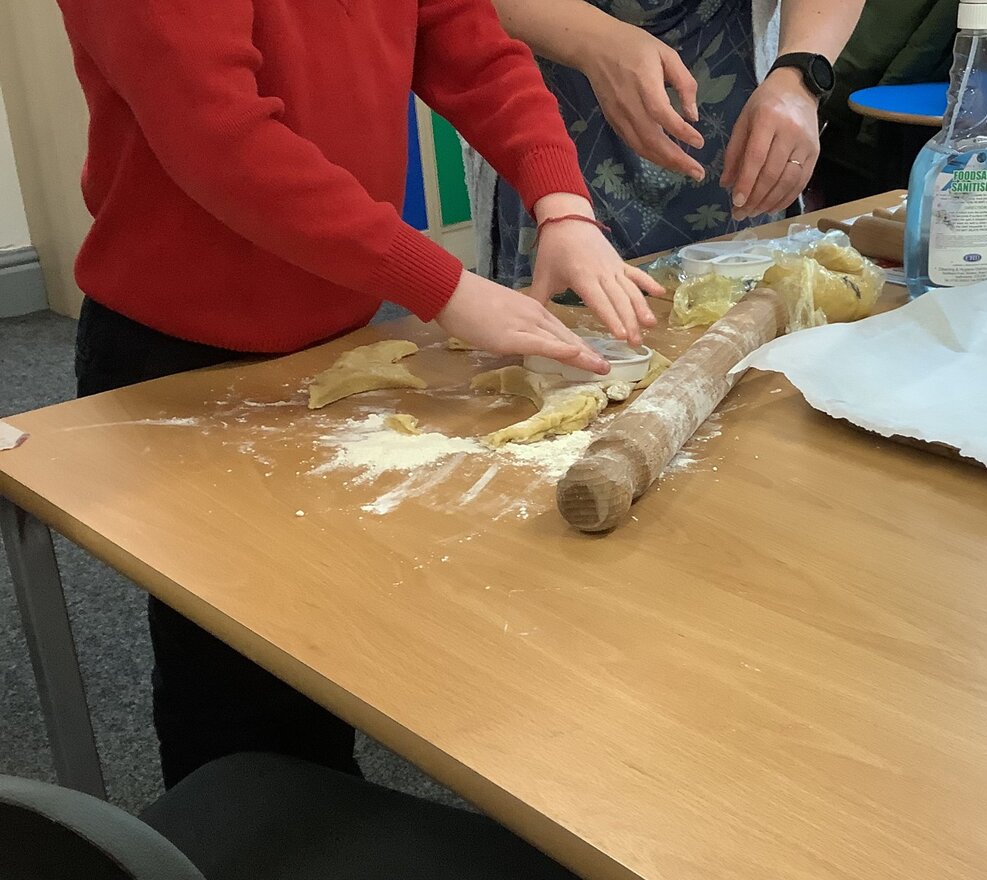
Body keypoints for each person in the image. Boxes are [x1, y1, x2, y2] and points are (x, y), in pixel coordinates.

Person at [55, 0, 662, 788]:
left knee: (325, 626)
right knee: (237, 670)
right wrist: (441, 285)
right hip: (182, 353)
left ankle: (328, 809)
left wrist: (562, 202)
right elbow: (220, 138)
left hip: (331, 325)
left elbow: (464, 42)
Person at [464, 0, 865, 287]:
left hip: (737, 126)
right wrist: (597, 40)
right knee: (571, 347)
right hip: (555, 123)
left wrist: (800, 75)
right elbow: (448, 13)